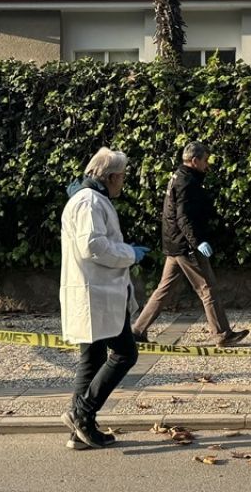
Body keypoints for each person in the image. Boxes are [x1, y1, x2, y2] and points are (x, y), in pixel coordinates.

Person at [59, 146, 148, 450]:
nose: (123, 181)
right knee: (125, 353)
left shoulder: (89, 199)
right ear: (110, 177)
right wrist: (130, 254)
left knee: (93, 358)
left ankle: (80, 431)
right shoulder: (89, 202)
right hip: (96, 294)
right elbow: (93, 246)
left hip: (96, 293)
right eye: (121, 177)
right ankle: (82, 413)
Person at [132, 141, 249, 347]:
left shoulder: (178, 177)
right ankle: (222, 334)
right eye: (204, 161)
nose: (207, 165)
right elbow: (183, 217)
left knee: (164, 289)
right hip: (186, 245)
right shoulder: (187, 182)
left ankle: (137, 330)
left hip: (175, 243)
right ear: (194, 161)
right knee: (207, 287)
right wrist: (198, 242)